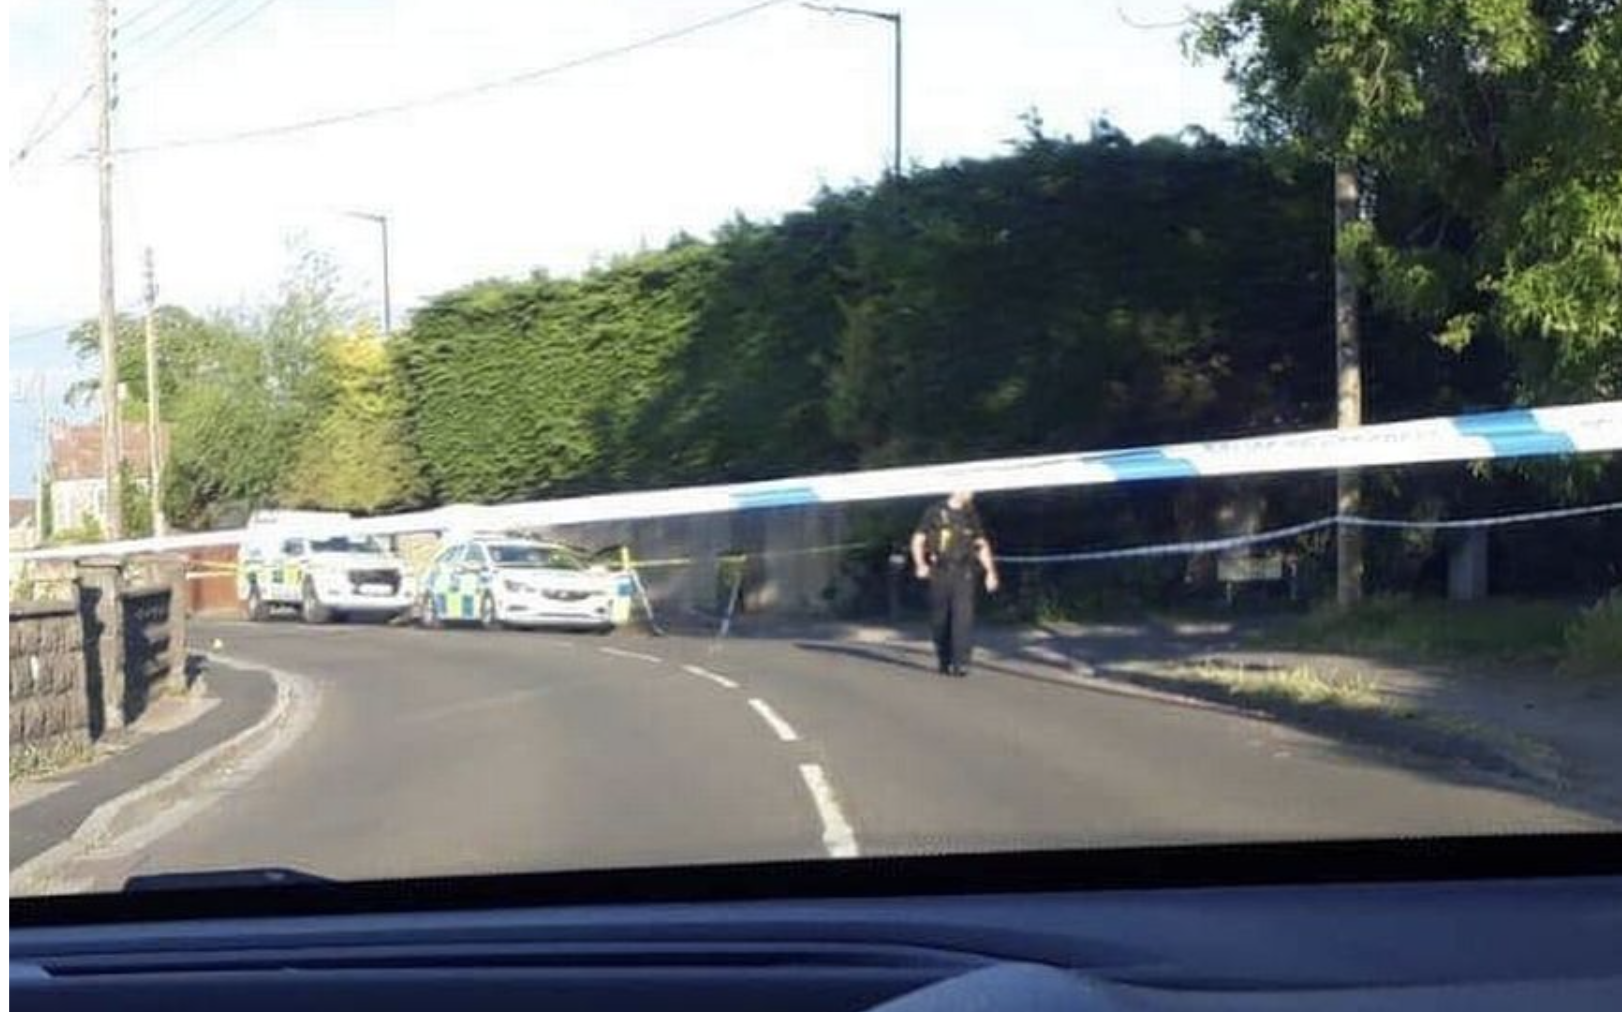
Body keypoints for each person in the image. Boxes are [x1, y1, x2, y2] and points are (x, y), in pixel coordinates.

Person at [911, 490, 999, 676]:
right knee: (940, 619)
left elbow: (981, 544)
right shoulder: (934, 511)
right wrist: (920, 564)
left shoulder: (970, 514)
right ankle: (944, 657)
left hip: (964, 571)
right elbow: (918, 540)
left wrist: (990, 572)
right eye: (968, 488)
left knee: (963, 617)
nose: (972, 492)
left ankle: (961, 662)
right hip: (940, 571)